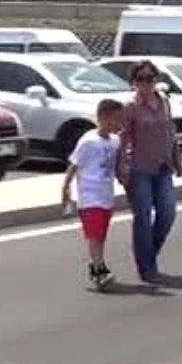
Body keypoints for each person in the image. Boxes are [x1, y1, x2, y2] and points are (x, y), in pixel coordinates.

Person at [118, 60, 182, 283]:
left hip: (164, 165)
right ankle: (147, 266)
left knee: (168, 213)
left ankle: (147, 253)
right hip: (140, 168)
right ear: (133, 83)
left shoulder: (164, 101)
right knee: (143, 216)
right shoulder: (130, 107)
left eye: (151, 78)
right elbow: (123, 139)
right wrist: (122, 167)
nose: (147, 83)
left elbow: (170, 132)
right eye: (141, 79)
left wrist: (178, 160)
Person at [62, 98, 124, 291]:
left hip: (106, 194)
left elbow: (116, 166)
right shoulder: (88, 141)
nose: (119, 123)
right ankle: (99, 268)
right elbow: (74, 165)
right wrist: (65, 189)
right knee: (94, 234)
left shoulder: (115, 141)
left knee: (101, 235)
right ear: (103, 118)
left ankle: (98, 264)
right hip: (90, 196)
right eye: (116, 119)